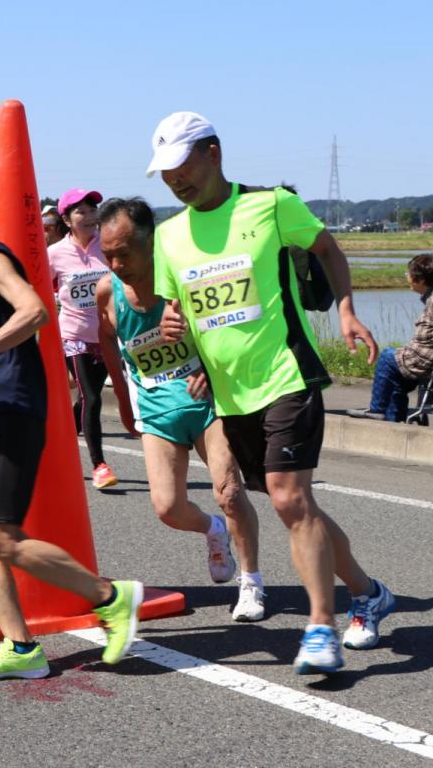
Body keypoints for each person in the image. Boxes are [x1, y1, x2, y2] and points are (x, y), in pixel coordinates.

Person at [149, 111, 395, 674]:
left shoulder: (271, 205)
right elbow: (176, 309)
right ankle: (368, 592)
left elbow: (328, 249)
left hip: (287, 374)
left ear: (213, 152)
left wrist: (347, 310)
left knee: (288, 499)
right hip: (231, 395)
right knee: (296, 506)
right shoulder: (168, 236)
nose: (175, 180)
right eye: (165, 172)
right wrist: (173, 327)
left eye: (182, 165)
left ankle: (320, 628)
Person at [0, 155, 143, 681]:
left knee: (0, 536)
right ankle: (21, 648)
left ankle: (110, 597)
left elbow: (35, 312)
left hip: (14, 407)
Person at [96, 197, 266, 621]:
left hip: (208, 403)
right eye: (108, 254)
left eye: (124, 253)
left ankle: (251, 583)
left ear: (150, 241)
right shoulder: (107, 292)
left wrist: (209, 365)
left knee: (230, 493)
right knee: (168, 508)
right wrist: (122, 398)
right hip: (157, 407)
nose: (116, 264)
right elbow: (108, 341)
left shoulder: (186, 280)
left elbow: (233, 330)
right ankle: (213, 531)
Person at [346, 254, 433, 422]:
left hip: (431, 362)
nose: (407, 277)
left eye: (409, 274)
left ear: (420, 279)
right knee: (396, 376)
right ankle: (394, 420)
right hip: (432, 358)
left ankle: (377, 409)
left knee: (386, 358)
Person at [47, 187, 118, 489]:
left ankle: (57, 444)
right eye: (81, 212)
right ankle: (100, 466)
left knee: (88, 397)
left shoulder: (109, 244)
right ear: (66, 219)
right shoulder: (55, 254)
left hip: (107, 335)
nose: (89, 217)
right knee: (91, 396)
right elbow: (40, 288)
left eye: (92, 210)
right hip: (73, 334)